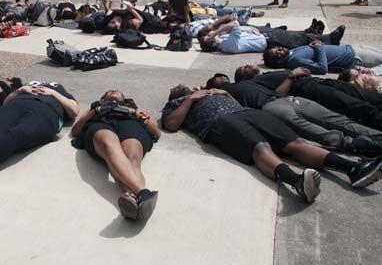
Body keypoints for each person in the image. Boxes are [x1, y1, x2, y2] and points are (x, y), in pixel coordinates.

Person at [162, 86, 382, 203]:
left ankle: (352, 169)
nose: (178, 87)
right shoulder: (176, 104)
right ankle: (295, 181)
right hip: (220, 124)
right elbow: (171, 125)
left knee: (294, 143)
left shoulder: (213, 91)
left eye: (182, 88)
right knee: (260, 148)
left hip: (246, 112)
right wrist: (190, 99)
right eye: (175, 89)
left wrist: (226, 93)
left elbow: (237, 105)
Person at [205, 71, 382, 155]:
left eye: (222, 76)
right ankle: (355, 145)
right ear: (212, 85)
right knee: (314, 130)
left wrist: (290, 78)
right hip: (270, 108)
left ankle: (376, 136)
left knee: (335, 119)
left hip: (288, 99)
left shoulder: (252, 82)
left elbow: (280, 90)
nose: (221, 77)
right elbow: (239, 112)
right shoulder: (220, 94)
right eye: (217, 79)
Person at [71, 90, 161, 221]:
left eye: (117, 91)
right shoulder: (96, 107)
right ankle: (143, 193)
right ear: (103, 98)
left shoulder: (132, 109)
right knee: (109, 145)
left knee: (132, 159)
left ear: (124, 98)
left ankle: (133, 202)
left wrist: (134, 113)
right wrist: (95, 111)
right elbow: (75, 131)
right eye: (109, 91)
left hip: (130, 124)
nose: (114, 91)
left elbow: (156, 133)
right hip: (102, 123)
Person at [234, 65, 382, 135]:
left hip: (322, 82)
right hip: (311, 90)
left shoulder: (265, 74)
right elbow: (277, 96)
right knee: (358, 107)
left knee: (370, 97)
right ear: (243, 79)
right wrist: (292, 75)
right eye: (242, 70)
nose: (246, 66)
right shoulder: (256, 84)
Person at [199, 18, 345, 54]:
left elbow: (235, 28)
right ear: (213, 44)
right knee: (300, 41)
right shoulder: (228, 46)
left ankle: (316, 33)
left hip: (265, 36)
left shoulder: (224, 42)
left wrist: (251, 32)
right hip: (269, 42)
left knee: (296, 35)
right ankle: (331, 40)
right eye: (210, 38)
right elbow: (234, 24)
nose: (212, 36)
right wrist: (216, 32)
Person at [263, 41, 382, 74]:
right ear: (278, 61)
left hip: (350, 48)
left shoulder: (291, 52)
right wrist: (319, 48)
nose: (280, 48)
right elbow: (322, 68)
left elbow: (314, 49)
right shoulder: (294, 61)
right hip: (354, 57)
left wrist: (316, 43)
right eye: (278, 52)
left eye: (278, 47)